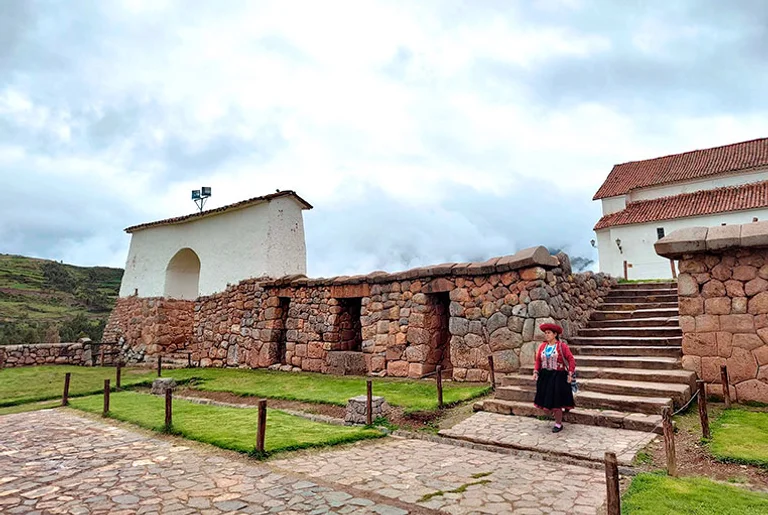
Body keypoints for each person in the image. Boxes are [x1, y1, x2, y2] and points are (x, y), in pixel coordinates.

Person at [532, 323, 575, 433]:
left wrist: (570, 373)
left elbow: (571, 359)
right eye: (545, 333)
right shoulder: (543, 346)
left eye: (549, 333)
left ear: (555, 334)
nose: (546, 335)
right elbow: (538, 360)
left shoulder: (562, 346)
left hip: (558, 376)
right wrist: (536, 372)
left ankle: (558, 423)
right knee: (546, 401)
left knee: (556, 401)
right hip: (545, 376)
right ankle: (557, 413)